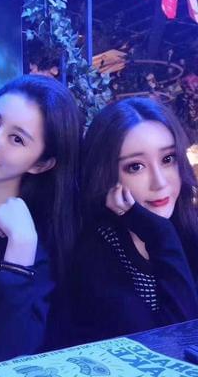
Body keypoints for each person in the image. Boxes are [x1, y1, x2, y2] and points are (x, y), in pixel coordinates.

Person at [0, 74, 83, 366]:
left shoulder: (40, 244)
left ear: (41, 164)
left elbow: (7, 358)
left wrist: (19, 254)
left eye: (17, 139)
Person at [72, 97, 198, 344]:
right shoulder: (96, 254)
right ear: (106, 176)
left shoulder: (190, 230)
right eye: (136, 167)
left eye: (168, 159)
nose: (160, 182)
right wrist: (161, 234)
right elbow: (177, 344)